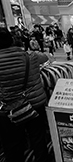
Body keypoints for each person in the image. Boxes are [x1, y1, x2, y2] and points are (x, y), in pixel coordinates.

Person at [0, 27, 51, 162]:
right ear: (12, 40)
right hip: (34, 105)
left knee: (13, 144)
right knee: (38, 139)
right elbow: (46, 57)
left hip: (9, 109)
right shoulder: (30, 57)